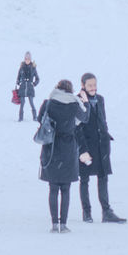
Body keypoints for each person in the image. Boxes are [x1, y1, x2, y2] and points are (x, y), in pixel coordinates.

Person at [37, 80, 88, 233]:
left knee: (53, 188)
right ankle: (63, 224)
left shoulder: (48, 103)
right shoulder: (74, 104)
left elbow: (40, 119)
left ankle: (54, 224)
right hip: (68, 148)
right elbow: (84, 118)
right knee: (65, 189)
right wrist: (85, 102)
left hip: (51, 148)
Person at [75, 73, 125, 223]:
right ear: (83, 85)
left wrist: (105, 135)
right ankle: (87, 212)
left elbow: (103, 120)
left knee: (103, 177)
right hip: (86, 147)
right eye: (90, 85)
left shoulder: (100, 99)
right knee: (84, 180)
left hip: (102, 145)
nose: (93, 88)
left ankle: (106, 211)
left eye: (95, 85)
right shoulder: (78, 100)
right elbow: (77, 127)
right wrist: (82, 149)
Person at [15, 53, 40, 122]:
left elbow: (38, 79)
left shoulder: (33, 68)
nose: (27, 60)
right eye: (26, 58)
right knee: (22, 103)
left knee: (31, 103)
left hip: (30, 88)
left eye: (28, 59)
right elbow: (18, 77)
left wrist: (34, 84)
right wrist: (18, 82)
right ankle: (20, 118)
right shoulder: (21, 67)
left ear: (30, 59)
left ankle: (35, 117)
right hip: (22, 87)